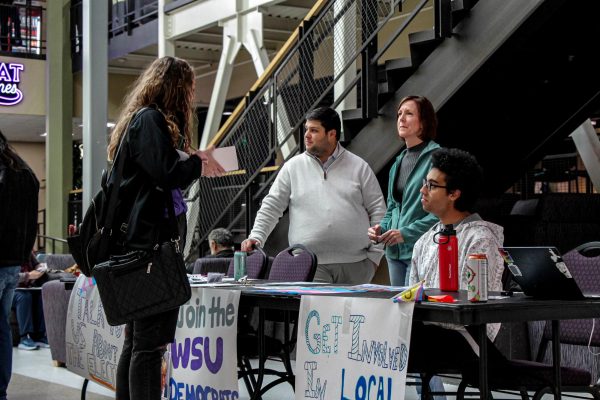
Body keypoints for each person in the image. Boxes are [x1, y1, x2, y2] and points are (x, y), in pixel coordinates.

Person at [107, 56, 224, 400]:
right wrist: (197, 166)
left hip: (145, 247)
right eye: (189, 88)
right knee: (148, 345)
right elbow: (166, 171)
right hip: (150, 250)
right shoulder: (150, 120)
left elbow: (162, 169)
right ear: (176, 88)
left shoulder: (142, 121)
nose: (191, 96)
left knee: (138, 342)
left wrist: (191, 159)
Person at [241, 107, 386, 284]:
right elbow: (272, 206)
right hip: (309, 265)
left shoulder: (359, 167)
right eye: (306, 129)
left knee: (353, 313)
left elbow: (379, 211)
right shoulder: (292, 167)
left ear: (332, 134)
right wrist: (256, 236)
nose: (307, 135)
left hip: (356, 265)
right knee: (316, 313)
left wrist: (375, 258)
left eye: (314, 130)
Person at [407, 148, 505, 398]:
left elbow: (472, 309)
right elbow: (412, 297)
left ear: (454, 194)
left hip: (468, 339)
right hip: (432, 332)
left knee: (388, 340)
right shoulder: (424, 241)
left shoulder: (481, 239)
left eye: (431, 185)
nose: (422, 190)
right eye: (423, 183)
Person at [368, 95, 440, 286]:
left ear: (423, 122)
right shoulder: (398, 162)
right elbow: (392, 208)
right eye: (400, 113)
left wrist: (405, 233)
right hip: (394, 253)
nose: (401, 118)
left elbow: (441, 213)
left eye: (409, 113)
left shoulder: (437, 158)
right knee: (399, 313)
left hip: (420, 250)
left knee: (413, 313)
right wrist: (380, 229)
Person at [0, 129, 39, 400]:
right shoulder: (24, 172)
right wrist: (24, 254)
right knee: (1, 327)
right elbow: (31, 221)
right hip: (13, 263)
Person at [12, 252, 49, 350]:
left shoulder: (27, 249)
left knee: (40, 295)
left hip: (27, 287)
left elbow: (37, 265)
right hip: (11, 290)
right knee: (24, 297)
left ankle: (40, 336)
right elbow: (8, 275)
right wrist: (28, 275)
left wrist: (40, 268)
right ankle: (24, 337)